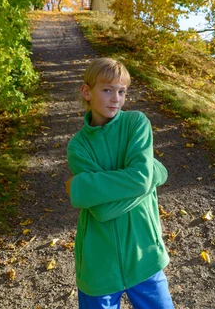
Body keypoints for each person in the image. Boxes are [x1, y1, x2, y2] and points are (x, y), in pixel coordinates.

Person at [66, 57, 174, 309]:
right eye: (107, 90)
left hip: (144, 251)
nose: (116, 98)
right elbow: (103, 210)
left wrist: (82, 187)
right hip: (97, 264)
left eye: (121, 91)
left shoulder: (135, 123)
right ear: (87, 92)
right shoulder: (78, 146)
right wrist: (152, 175)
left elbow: (140, 178)